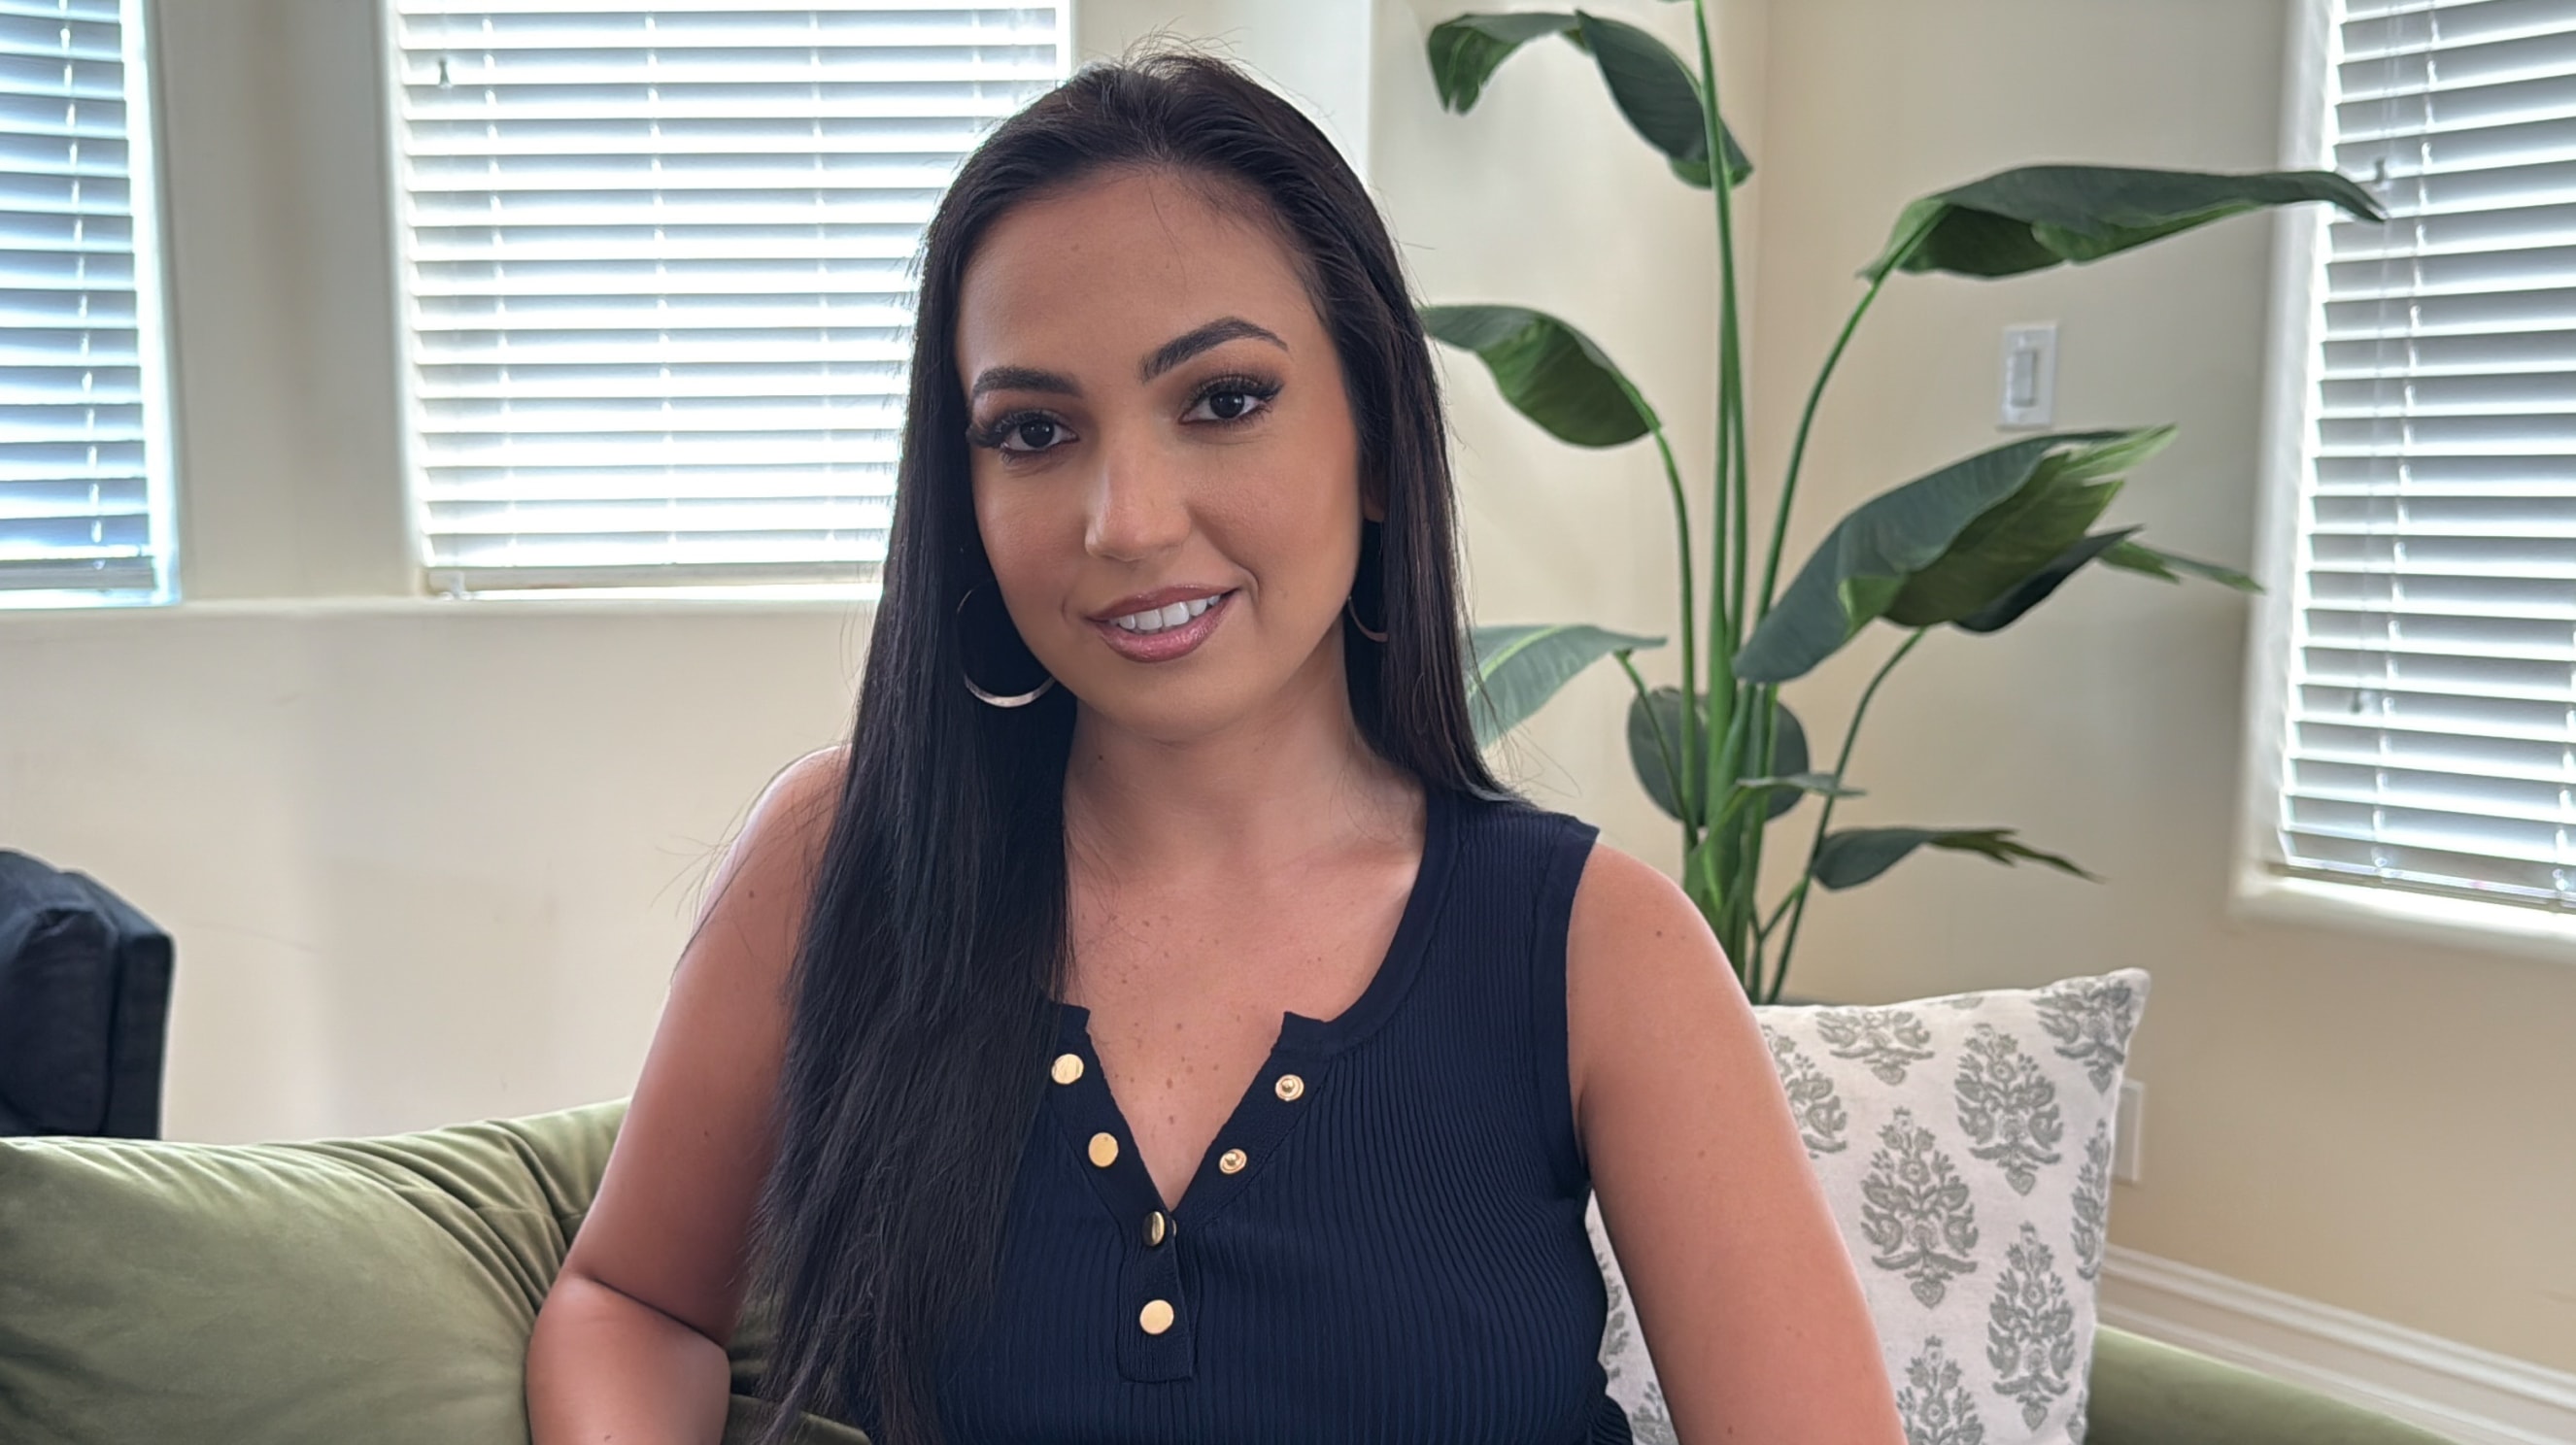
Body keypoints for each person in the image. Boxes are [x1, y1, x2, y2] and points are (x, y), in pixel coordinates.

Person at [525, 50, 1903, 1445]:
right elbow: (631, 1302)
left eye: (1224, 400)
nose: (1125, 521)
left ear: (1378, 443)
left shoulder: (1604, 949)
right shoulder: (850, 859)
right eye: (1034, 430)